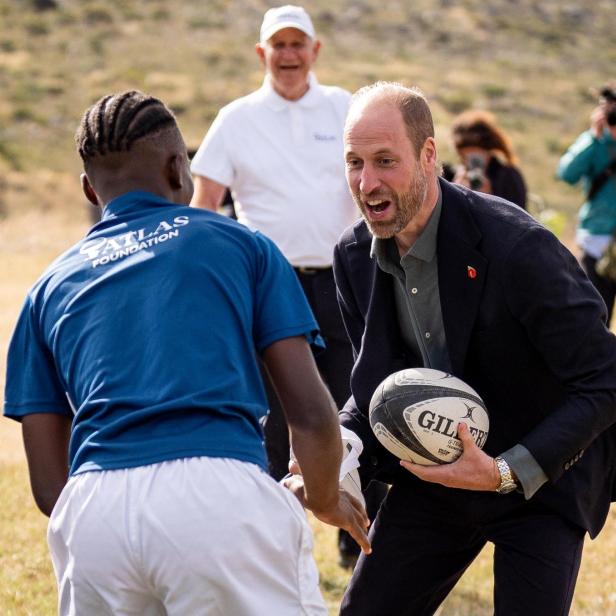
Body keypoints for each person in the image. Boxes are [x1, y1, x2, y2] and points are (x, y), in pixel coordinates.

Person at [3, 90, 370, 616]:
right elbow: (311, 415)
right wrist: (324, 498)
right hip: (216, 498)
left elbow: (47, 486)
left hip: (91, 516)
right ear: (180, 169)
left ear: (89, 188)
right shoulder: (242, 245)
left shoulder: (46, 287)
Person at [327, 82, 615, 614]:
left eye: (386, 161)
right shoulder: (352, 258)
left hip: (540, 482)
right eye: (355, 163)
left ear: (429, 155)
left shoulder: (518, 247)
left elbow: (604, 378)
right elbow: (374, 390)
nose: (367, 182)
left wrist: (508, 470)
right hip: (433, 476)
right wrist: (332, 458)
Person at [189, 4, 385, 567]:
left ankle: (361, 541)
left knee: (360, 403)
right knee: (271, 415)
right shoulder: (235, 118)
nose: (290, 54)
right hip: (267, 286)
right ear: (261, 53)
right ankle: (270, 542)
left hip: (350, 279)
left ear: (316, 50)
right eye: (279, 44)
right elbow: (205, 208)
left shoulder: (347, 107)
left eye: (299, 43)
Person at [558, 83, 616, 325]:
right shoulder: (595, 142)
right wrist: (594, 138)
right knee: (595, 316)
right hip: (597, 239)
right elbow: (567, 173)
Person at [451, 109, 527, 209]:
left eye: (476, 158)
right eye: (465, 157)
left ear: (488, 153)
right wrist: (454, 191)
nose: (471, 162)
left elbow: (519, 219)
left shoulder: (508, 177)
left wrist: (489, 198)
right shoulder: (452, 175)